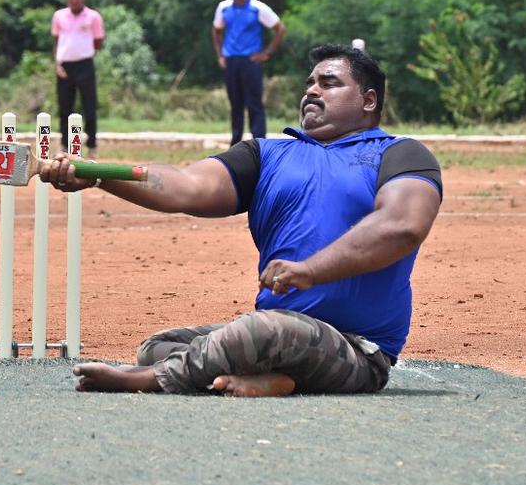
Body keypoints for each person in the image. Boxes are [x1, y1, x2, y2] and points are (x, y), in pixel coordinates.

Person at [42, 43, 443, 397]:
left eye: (329, 83)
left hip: (357, 349)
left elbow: (401, 226)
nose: (311, 91)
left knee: (266, 331)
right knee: (160, 345)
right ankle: (279, 378)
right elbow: (185, 185)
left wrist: (310, 270)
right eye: (309, 83)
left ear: (368, 100)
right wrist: (97, 174)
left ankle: (150, 380)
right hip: (276, 328)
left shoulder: (401, 153)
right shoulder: (267, 154)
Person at [212, 0, 286, 145]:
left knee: (254, 104)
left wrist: (267, 53)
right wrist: (220, 54)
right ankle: (235, 143)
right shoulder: (224, 7)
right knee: (235, 104)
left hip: (251, 61)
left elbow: (280, 29)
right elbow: (216, 30)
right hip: (231, 61)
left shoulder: (258, 8)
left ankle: (259, 144)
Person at [52, 0, 104, 153]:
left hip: (85, 64)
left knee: (89, 105)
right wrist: (57, 63)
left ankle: (92, 144)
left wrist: (85, 52)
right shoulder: (59, 16)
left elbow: (98, 41)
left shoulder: (93, 17)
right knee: (65, 106)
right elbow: (56, 41)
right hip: (65, 66)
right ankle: (65, 144)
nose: (75, 0)